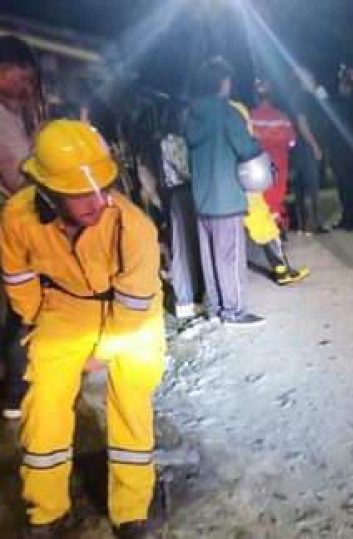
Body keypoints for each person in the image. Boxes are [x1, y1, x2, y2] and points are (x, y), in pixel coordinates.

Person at [2, 120, 166, 538]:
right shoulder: (18, 217)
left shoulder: (133, 226)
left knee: (130, 399)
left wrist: (102, 353)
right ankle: (45, 510)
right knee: (45, 399)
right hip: (65, 306)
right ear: (47, 191)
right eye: (79, 193)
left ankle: (132, 510)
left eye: (101, 188)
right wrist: (37, 320)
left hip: (132, 314)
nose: (97, 201)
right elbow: (18, 277)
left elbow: (134, 304)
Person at [184, 56, 266, 326]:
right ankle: (235, 311)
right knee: (230, 257)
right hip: (226, 198)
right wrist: (257, 146)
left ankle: (216, 308)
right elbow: (246, 149)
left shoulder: (190, 115)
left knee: (209, 257)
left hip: (201, 198)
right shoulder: (227, 113)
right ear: (221, 82)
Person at [0, 35, 41, 421]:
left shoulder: (14, 115)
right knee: (20, 305)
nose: (28, 84)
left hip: (12, 219)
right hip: (11, 224)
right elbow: (18, 178)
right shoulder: (3, 121)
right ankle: (15, 392)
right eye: (22, 75)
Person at [231, 100, 310, 286]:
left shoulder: (194, 112)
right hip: (245, 175)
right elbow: (249, 145)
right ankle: (281, 269)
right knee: (264, 223)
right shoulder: (236, 110)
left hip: (215, 183)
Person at [160, 104, 203, 319]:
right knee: (186, 247)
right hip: (184, 193)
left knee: (185, 246)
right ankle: (188, 298)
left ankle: (190, 296)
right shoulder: (174, 141)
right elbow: (186, 172)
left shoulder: (171, 140)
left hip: (180, 194)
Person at [325, 65, 353, 231]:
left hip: (346, 149)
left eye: (343, 82)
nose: (340, 86)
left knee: (349, 185)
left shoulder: (350, 103)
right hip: (346, 148)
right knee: (347, 185)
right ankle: (352, 217)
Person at [251, 78, 296, 227]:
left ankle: (263, 229)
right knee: (277, 198)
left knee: (260, 199)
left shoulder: (250, 117)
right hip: (280, 164)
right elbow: (292, 142)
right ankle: (278, 227)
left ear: (256, 98)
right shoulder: (282, 117)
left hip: (258, 165)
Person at [292, 68, 330, 235]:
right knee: (311, 186)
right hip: (306, 148)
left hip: (302, 147)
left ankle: (304, 224)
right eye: (311, 79)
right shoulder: (302, 98)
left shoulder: (305, 97)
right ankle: (313, 224)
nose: (314, 83)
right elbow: (302, 124)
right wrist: (315, 146)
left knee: (302, 186)